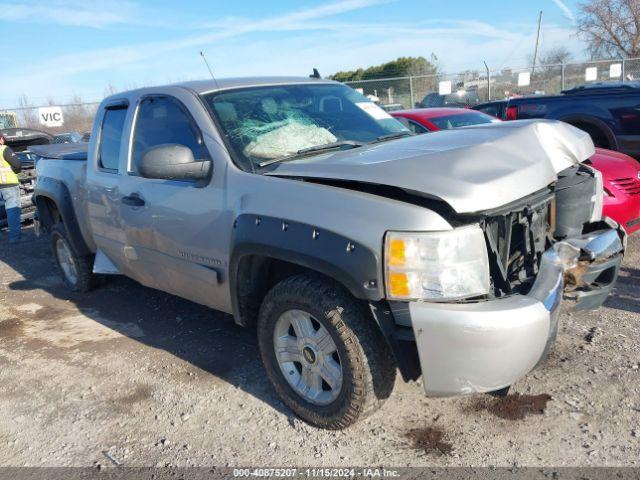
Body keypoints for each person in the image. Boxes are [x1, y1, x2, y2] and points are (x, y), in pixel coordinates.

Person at [0, 132, 22, 243]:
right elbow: (17, 164)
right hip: (8, 184)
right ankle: (15, 237)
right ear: (0, 139)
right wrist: (17, 171)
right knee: (12, 209)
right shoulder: (4, 149)